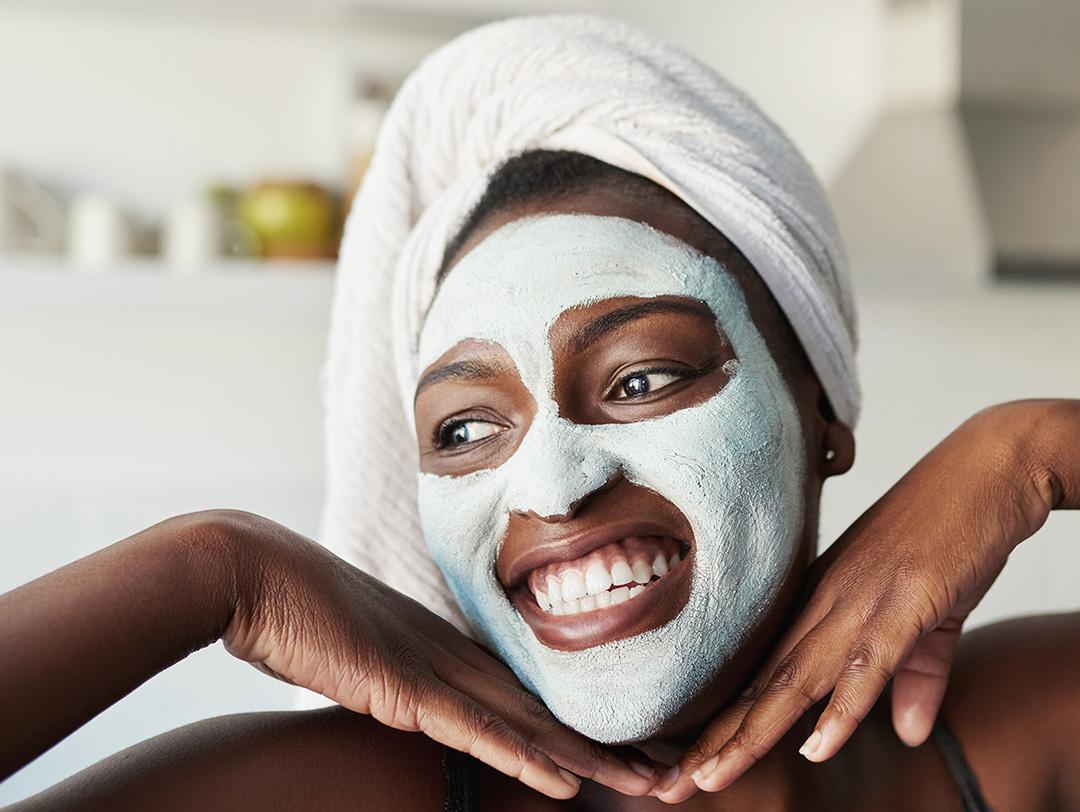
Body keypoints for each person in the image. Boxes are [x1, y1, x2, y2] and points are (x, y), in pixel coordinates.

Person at [2, 16, 1078, 811]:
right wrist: (212, 570)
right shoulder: (350, 793)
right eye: (466, 429)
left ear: (824, 411)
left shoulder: (1015, 734)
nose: (554, 483)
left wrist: (1035, 448)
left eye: (642, 377)